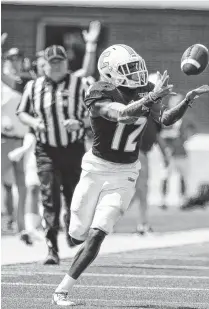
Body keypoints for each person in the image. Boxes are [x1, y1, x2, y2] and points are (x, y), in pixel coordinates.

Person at [52, 44, 209, 306]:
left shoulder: (146, 91)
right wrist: (151, 98)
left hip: (126, 173)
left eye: (136, 66)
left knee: (98, 233)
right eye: (128, 68)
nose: (137, 72)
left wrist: (187, 100)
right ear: (109, 72)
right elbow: (122, 115)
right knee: (77, 233)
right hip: (95, 169)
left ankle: (61, 290)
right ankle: (68, 229)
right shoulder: (99, 90)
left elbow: (164, 120)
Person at [17, 21, 101, 265]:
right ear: (45, 65)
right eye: (51, 63)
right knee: (49, 197)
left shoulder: (78, 84)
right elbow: (22, 112)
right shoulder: (33, 87)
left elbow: (94, 114)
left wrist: (80, 123)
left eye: (59, 62)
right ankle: (52, 247)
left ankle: (71, 231)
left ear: (66, 63)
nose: (55, 67)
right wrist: (34, 122)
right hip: (46, 150)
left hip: (73, 149)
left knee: (73, 196)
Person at [1, 43, 32, 244]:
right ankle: (8, 219)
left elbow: (14, 82)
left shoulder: (25, 80)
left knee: (22, 185)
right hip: (3, 139)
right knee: (5, 183)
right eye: (11, 58)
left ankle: (21, 227)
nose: (15, 62)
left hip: (22, 141)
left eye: (17, 59)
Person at [131, 116, 170, 234]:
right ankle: (143, 223)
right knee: (141, 190)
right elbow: (158, 138)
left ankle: (143, 222)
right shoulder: (150, 119)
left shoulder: (146, 117)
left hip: (131, 155)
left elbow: (158, 138)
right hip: (138, 155)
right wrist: (165, 156)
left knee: (136, 191)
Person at [159, 94, 196, 209]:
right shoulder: (166, 118)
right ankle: (163, 200)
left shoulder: (185, 119)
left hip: (181, 152)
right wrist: (171, 135)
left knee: (183, 177)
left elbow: (191, 131)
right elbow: (159, 134)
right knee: (165, 176)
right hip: (169, 153)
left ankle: (183, 200)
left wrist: (184, 137)